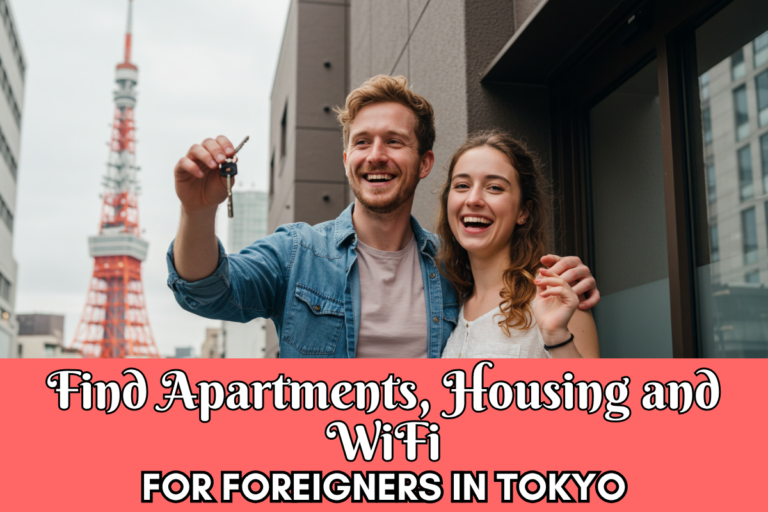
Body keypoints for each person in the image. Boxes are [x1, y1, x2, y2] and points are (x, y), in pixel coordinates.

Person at [167, 75, 601, 358]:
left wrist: (562, 292)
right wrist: (197, 212)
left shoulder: (450, 269)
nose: (376, 155)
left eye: (394, 141)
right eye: (362, 142)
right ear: (346, 158)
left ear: (425, 162)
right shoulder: (297, 253)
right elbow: (206, 291)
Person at [439, 131, 599, 358]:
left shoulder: (555, 295)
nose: (473, 199)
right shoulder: (448, 301)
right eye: (462, 185)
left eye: (494, 187)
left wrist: (556, 336)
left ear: (523, 211)